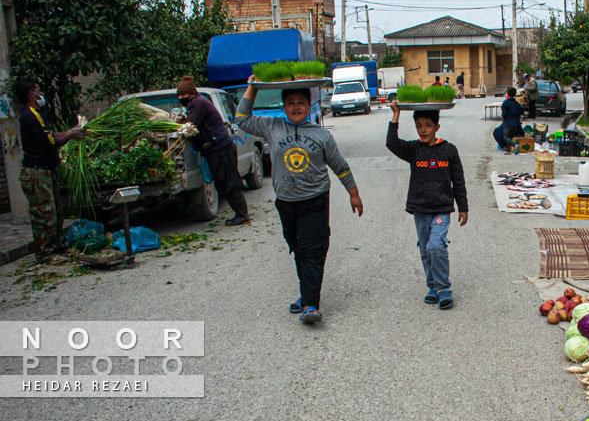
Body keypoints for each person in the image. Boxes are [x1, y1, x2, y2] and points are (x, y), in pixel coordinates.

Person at [237, 78, 364, 324]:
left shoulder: (321, 135)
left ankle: (310, 304)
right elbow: (241, 119)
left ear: (310, 106)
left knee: (312, 250)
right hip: (286, 202)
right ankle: (306, 293)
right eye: (291, 103)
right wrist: (253, 88)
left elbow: (340, 166)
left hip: (314, 200)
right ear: (283, 106)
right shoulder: (272, 127)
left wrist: (353, 193)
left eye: (301, 103)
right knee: (297, 248)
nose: (296, 107)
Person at [386, 100, 468, 310]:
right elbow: (392, 144)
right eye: (419, 126)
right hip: (420, 209)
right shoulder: (414, 149)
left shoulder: (449, 150)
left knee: (436, 246)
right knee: (425, 249)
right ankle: (432, 286)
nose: (423, 130)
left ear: (437, 127)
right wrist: (396, 115)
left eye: (428, 125)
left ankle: (444, 287)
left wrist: (463, 207)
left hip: (441, 208)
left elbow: (458, 180)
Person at [14, 79, 85, 264]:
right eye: (39, 91)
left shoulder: (37, 114)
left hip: (46, 171)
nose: (42, 94)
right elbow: (51, 142)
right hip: (36, 173)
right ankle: (45, 254)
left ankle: (58, 247)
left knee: (55, 212)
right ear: (31, 94)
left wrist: (71, 131)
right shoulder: (30, 116)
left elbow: (52, 135)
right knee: (43, 214)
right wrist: (70, 135)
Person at [176, 75, 250, 226]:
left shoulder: (199, 103)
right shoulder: (194, 104)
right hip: (216, 148)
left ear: (191, 93)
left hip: (220, 148)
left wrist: (181, 123)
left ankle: (242, 215)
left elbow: (192, 123)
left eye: (183, 95)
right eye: (179, 95)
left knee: (230, 182)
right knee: (224, 182)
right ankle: (241, 213)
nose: (180, 97)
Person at [492, 87, 523, 151]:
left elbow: (504, 114)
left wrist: (504, 119)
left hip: (508, 122)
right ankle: (508, 150)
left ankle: (515, 145)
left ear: (507, 94)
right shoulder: (517, 104)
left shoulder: (506, 103)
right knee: (510, 137)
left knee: (506, 137)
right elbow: (520, 113)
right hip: (516, 123)